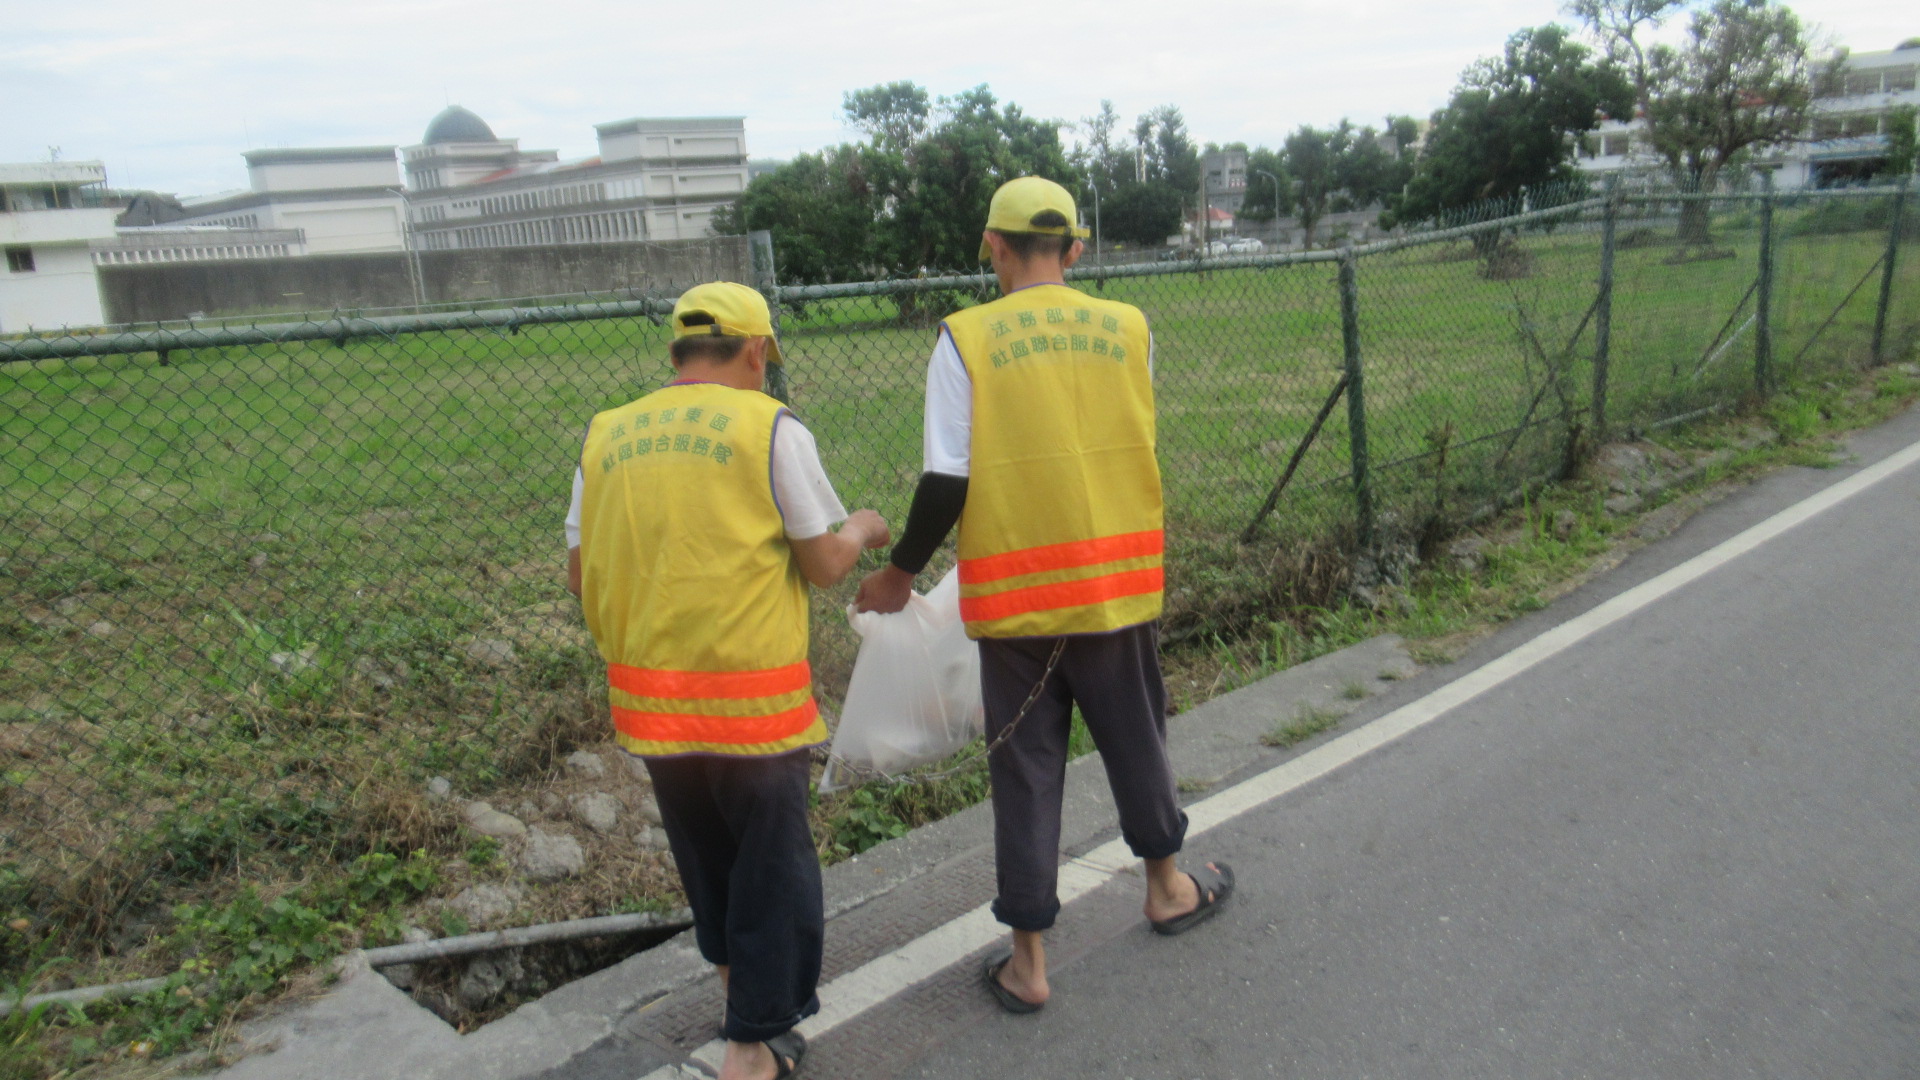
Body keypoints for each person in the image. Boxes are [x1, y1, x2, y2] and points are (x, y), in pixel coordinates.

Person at [855, 177, 1233, 1014]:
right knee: (1137, 737)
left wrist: (899, 572)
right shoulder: (1130, 327)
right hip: (1114, 588)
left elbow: (947, 478)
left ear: (992, 246)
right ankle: (1167, 887)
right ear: (1076, 248)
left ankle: (1028, 964)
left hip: (1018, 606)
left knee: (1024, 768)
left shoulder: (964, 339)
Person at [568, 281, 888, 1080]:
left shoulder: (606, 435)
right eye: (764, 360)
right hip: (753, 708)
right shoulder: (768, 426)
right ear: (754, 351)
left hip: (654, 707)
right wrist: (864, 528)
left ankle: (736, 999)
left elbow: (580, 574)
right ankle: (752, 1047)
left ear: (677, 352)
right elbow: (822, 565)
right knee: (772, 873)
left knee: (708, 861)